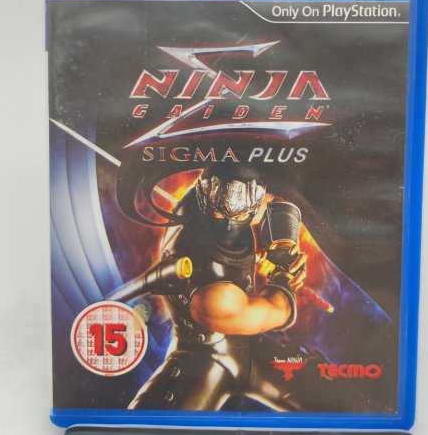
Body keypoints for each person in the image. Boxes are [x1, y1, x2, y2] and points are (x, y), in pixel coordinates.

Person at [110, 163, 370, 412]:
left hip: (253, 348)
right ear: (204, 199)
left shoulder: (211, 194)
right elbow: (275, 311)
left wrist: (281, 247)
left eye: (241, 214)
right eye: (219, 213)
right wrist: (283, 278)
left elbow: (279, 207)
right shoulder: (209, 292)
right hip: (205, 355)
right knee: (152, 428)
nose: (228, 222)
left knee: (351, 409)